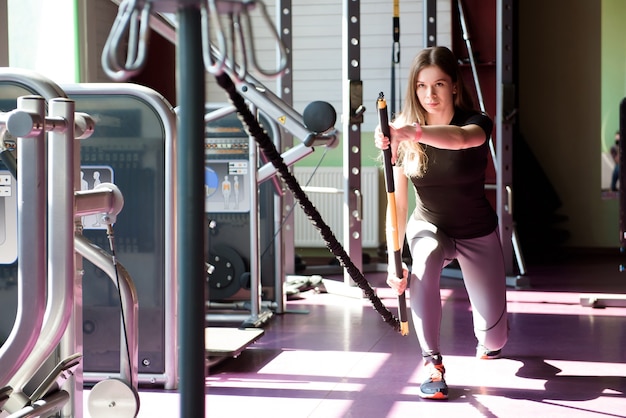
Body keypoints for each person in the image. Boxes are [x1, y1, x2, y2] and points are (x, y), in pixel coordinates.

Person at [375, 46, 509, 400]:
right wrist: (394, 260)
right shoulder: (402, 134)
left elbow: (462, 140)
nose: (429, 94)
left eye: (438, 84)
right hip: (430, 224)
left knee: (494, 340)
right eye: (421, 86)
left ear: (453, 86)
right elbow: (398, 203)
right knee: (427, 256)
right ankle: (431, 361)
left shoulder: (477, 122)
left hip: (477, 231)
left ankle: (489, 336)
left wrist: (411, 133)